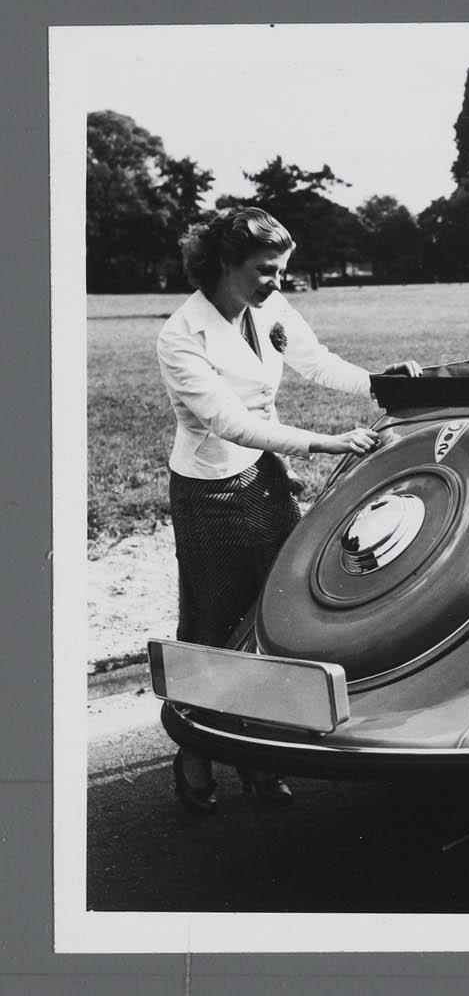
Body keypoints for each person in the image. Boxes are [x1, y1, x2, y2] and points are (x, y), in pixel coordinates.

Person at [157, 206, 420, 813]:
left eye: (281, 269)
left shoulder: (269, 307)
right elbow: (227, 423)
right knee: (214, 624)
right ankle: (194, 750)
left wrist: (380, 383)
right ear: (225, 264)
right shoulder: (181, 335)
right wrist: (325, 442)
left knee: (275, 614)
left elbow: (316, 361)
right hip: (210, 489)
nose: (277, 281)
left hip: (265, 476)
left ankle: (258, 757)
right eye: (265, 270)